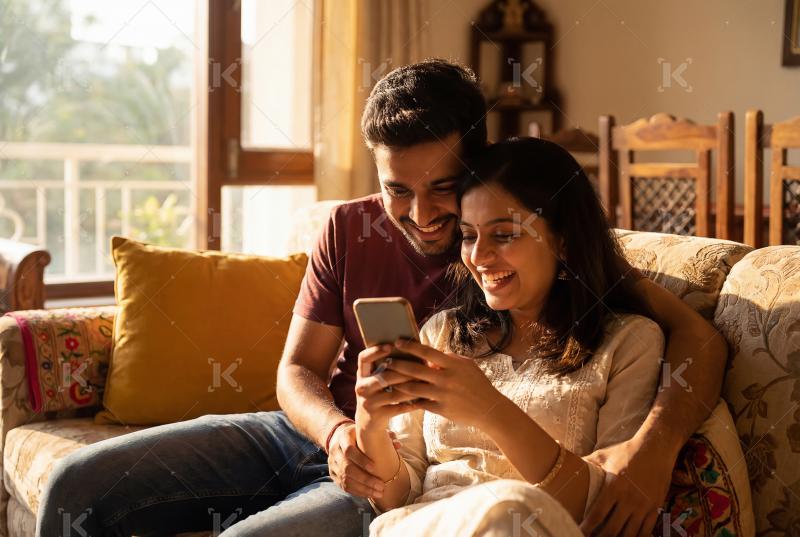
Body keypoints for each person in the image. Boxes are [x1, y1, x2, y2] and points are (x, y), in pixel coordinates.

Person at [36, 60, 727, 537]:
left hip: (395, 472)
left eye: (442, 189)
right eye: (398, 188)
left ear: (479, 167)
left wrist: (653, 446)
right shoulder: (351, 227)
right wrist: (339, 431)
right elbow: (296, 372)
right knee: (77, 485)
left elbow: (697, 338)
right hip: (325, 432)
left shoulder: (540, 249)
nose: (423, 214)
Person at [355, 137, 664, 536]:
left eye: (503, 235)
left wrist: (490, 410)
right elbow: (399, 495)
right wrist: (370, 425)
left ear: (564, 240)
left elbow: (600, 504)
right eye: (468, 236)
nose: (479, 257)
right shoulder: (442, 333)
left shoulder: (630, 343)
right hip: (424, 526)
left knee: (508, 509)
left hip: (531, 528)